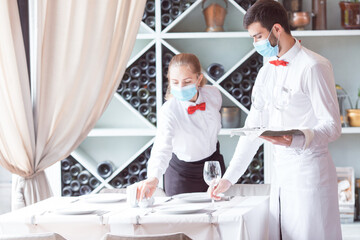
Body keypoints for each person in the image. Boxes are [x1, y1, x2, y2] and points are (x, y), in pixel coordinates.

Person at [210, 1, 342, 239]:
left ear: (277, 29)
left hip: (310, 174)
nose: (255, 44)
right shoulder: (265, 72)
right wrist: (229, 178)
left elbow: (332, 126)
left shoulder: (314, 66)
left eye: (258, 36)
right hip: (280, 177)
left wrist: (296, 139)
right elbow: (252, 130)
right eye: (252, 38)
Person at [137, 53, 226, 200]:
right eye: (175, 82)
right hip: (183, 174)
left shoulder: (213, 95)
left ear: (199, 79)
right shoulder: (169, 111)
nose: (180, 87)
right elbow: (162, 147)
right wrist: (154, 177)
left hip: (213, 169)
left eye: (186, 81)